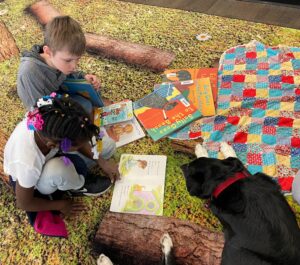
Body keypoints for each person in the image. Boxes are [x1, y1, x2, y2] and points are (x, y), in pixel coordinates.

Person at [3, 93, 119, 228]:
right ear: (53, 145)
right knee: (58, 170)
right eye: (78, 145)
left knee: (109, 146)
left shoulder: (50, 124)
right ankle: (78, 185)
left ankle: (68, 173)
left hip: (54, 154)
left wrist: (102, 162)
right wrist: (61, 205)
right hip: (37, 180)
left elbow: (78, 138)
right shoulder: (28, 164)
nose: (83, 145)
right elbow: (24, 203)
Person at [17, 15, 103, 114]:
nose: (74, 66)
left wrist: (83, 78)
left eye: (77, 59)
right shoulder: (29, 72)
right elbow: (38, 112)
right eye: (68, 60)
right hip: (46, 109)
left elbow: (66, 76)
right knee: (81, 111)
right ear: (48, 52)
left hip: (58, 95)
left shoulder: (58, 59)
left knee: (86, 104)